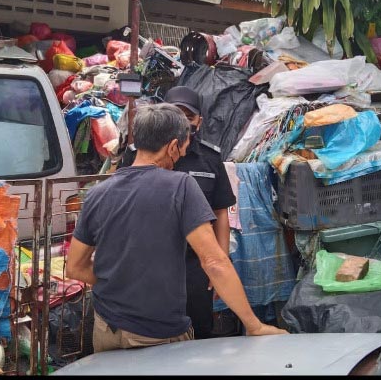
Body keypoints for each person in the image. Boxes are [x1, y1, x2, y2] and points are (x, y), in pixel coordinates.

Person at [65, 104, 285, 351]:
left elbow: (74, 267)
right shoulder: (181, 187)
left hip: (106, 330)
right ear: (172, 146)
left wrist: (117, 281)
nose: (181, 156)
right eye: (182, 148)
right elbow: (214, 262)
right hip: (156, 336)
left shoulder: (97, 193)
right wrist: (254, 326)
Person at [116, 88, 236, 339]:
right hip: (148, 260)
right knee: (151, 331)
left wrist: (220, 261)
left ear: (199, 122)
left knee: (199, 328)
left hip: (195, 262)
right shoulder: (138, 155)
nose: (182, 123)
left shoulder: (210, 159)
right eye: (175, 114)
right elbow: (120, 201)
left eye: (188, 117)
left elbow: (221, 212)